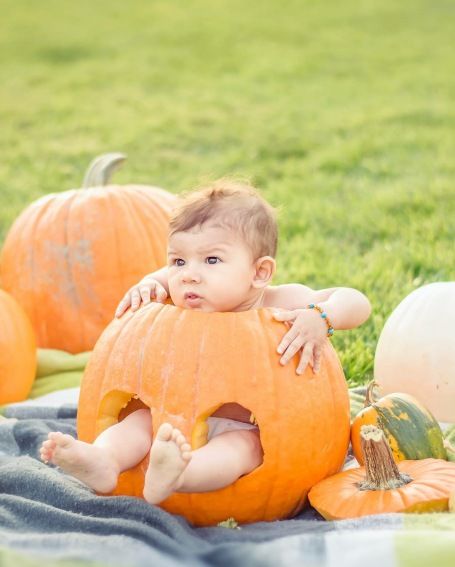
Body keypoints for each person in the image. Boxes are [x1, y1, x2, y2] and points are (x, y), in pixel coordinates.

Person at [40, 179, 371, 505]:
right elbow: (164, 277)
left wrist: (323, 316)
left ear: (259, 273)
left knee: (244, 447)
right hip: (170, 426)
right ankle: (104, 461)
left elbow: (356, 301)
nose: (188, 274)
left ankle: (180, 476)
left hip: (238, 428)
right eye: (179, 261)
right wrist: (148, 282)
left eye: (212, 260)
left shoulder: (282, 302)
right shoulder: (174, 296)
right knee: (138, 423)